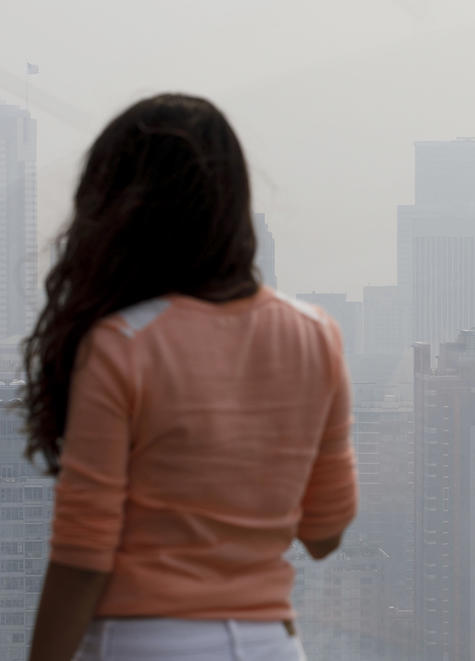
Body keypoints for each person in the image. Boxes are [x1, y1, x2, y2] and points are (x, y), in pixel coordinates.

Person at [21, 93, 357, 661]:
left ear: (117, 210)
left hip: (145, 642)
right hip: (270, 646)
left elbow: (82, 559)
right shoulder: (315, 334)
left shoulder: (122, 345)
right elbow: (324, 535)